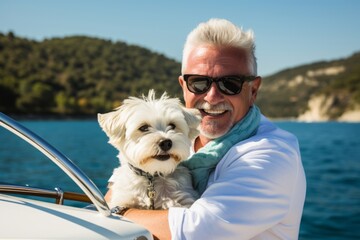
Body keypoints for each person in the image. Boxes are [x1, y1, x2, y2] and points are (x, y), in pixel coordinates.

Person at [105, 18, 306, 240]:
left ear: (254, 90)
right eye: (199, 82)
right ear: (184, 86)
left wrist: (116, 211)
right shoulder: (184, 140)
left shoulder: (271, 153)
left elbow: (199, 230)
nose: (212, 96)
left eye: (230, 83)